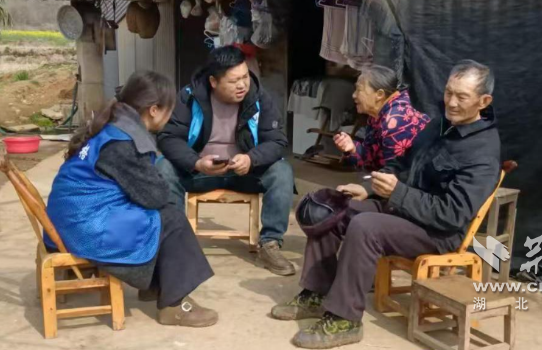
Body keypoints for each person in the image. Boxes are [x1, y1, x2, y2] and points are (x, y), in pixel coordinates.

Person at [272, 60, 502, 348]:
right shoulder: (439, 125)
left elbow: (452, 214)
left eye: (462, 97)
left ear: (483, 101)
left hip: (438, 232)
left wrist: (398, 193)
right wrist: (368, 188)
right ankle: (316, 293)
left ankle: (345, 319)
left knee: (365, 226)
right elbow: (400, 165)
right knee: (331, 207)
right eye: (448, 92)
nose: (451, 102)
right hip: (404, 211)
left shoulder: (483, 152)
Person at [45, 71, 218, 328]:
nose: (171, 116)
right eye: (170, 110)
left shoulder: (114, 127)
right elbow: (155, 196)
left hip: (69, 220)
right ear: (154, 110)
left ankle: (156, 287)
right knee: (171, 217)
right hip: (84, 228)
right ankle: (174, 305)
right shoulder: (124, 143)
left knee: (156, 213)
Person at [157, 46, 295, 276]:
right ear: (213, 81)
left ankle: (270, 243)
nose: (242, 85)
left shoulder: (259, 97)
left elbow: (277, 140)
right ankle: (174, 244)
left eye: (245, 77)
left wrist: (251, 159)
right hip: (200, 172)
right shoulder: (190, 96)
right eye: (234, 81)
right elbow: (168, 137)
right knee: (164, 168)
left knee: (282, 171)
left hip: (245, 173)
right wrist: (196, 162)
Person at [333, 65, 430, 171]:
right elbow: (370, 159)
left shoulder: (395, 121)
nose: (354, 95)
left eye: (359, 90)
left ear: (379, 94)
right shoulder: (378, 115)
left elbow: (392, 174)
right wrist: (352, 148)